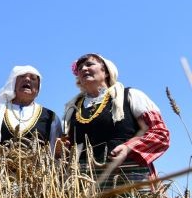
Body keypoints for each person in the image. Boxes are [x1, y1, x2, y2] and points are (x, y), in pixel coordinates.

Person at [63, 54, 170, 190]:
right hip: (86, 186)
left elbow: (159, 133)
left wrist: (128, 148)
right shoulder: (72, 108)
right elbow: (68, 147)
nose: (83, 69)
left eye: (89, 64)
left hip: (130, 179)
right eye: (80, 68)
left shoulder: (129, 95)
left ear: (106, 71)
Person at [0, 65, 62, 157]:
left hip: (38, 170)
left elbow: (56, 156)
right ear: (13, 82)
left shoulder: (51, 118)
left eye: (33, 78)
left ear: (38, 87)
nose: (27, 79)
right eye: (22, 76)